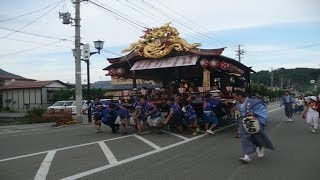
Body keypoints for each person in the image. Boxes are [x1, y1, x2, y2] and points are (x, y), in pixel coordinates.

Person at [232, 90, 274, 163]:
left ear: (239, 96)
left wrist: (254, 113)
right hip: (244, 122)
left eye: (234, 96)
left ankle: (260, 147)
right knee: (244, 138)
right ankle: (246, 156)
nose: (234, 98)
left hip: (254, 121)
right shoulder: (237, 104)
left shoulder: (253, 102)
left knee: (256, 136)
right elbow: (237, 114)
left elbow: (263, 110)